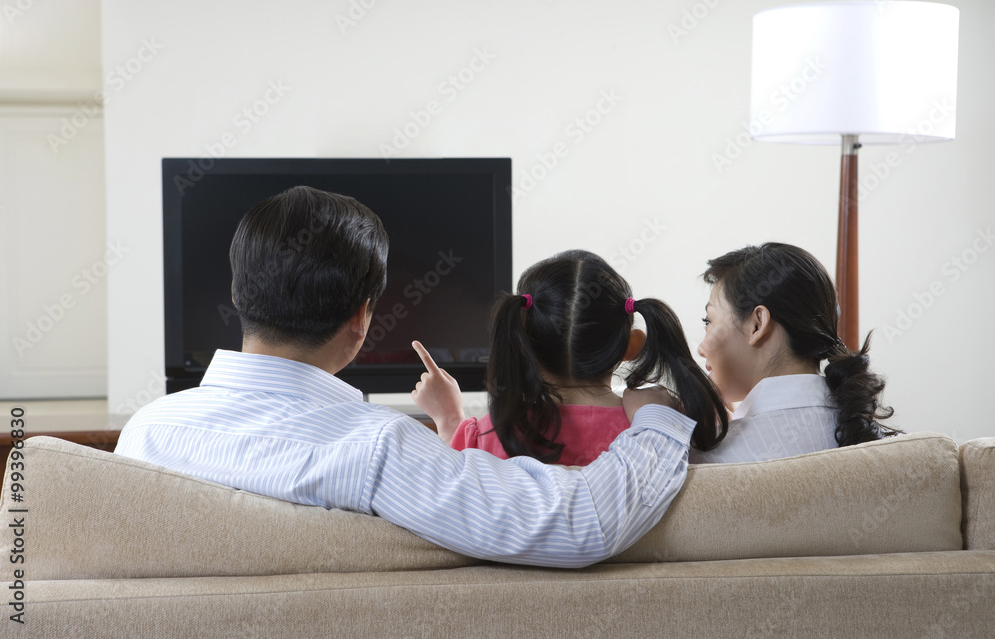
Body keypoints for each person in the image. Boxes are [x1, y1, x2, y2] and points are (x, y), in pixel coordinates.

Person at [115, 185, 696, 568]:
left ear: (237, 291)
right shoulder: (380, 450)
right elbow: (582, 524)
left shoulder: (145, 434)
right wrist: (659, 422)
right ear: (362, 318)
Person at [411, 250, 727, 466]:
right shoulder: (667, 431)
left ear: (521, 345)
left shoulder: (490, 434)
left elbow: (453, 486)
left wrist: (449, 418)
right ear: (633, 345)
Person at [691, 242, 901, 464]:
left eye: (709, 321)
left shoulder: (702, 461)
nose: (700, 348)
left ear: (757, 324)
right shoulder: (891, 449)